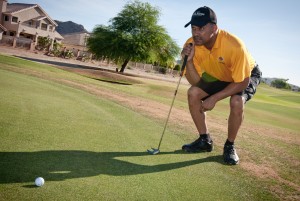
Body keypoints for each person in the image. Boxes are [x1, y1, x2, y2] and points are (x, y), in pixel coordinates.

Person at [181, 6, 262, 165]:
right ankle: (205, 140)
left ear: (214, 27)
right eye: (193, 28)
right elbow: (196, 82)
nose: (196, 33)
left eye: (202, 28)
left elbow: (242, 82)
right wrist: (189, 61)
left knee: (237, 102)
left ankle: (229, 146)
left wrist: (215, 98)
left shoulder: (234, 45)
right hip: (220, 74)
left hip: (245, 74)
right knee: (193, 93)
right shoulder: (191, 45)